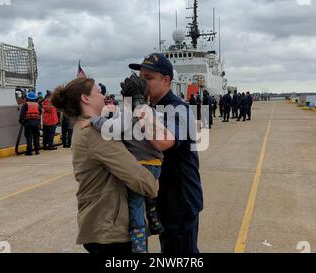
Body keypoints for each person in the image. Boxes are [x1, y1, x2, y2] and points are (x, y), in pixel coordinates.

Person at [51, 77, 158, 254]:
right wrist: (153, 184)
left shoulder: (85, 126)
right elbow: (136, 175)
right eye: (99, 92)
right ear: (85, 98)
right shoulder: (95, 133)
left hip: (100, 222)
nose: (104, 96)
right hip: (110, 230)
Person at [90, 74, 174, 253]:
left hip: (139, 167)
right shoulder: (154, 113)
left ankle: (139, 246)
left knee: (135, 207)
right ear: (147, 96)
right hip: (156, 165)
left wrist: (94, 120)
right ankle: (155, 221)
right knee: (150, 196)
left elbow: (112, 128)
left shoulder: (128, 115)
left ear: (124, 97)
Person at [130, 53, 203, 253]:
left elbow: (163, 141)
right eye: (140, 78)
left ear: (166, 80)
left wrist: (138, 104)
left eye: (148, 78)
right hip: (163, 197)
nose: (142, 84)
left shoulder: (180, 109)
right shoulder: (152, 107)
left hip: (180, 200)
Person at [19, 91, 42, 156]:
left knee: (29, 137)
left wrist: (21, 121)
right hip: (36, 123)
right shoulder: (37, 105)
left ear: (27, 98)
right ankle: (37, 150)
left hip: (28, 123)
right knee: (36, 137)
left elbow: (22, 114)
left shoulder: (25, 104)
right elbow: (40, 113)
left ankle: (29, 151)